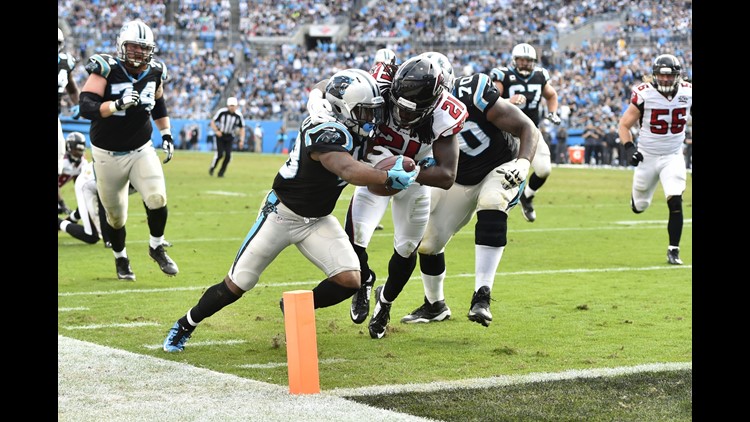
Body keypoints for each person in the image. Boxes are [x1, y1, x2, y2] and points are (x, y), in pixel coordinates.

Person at [162, 68, 418, 352]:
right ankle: (186, 323)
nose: (372, 120)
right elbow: (346, 168)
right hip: (281, 214)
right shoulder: (323, 128)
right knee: (238, 283)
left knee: (350, 280)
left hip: (317, 220)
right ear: (342, 109)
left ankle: (296, 306)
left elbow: (324, 86)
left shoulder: (344, 120)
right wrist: (385, 178)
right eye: (365, 112)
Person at [309, 54, 468, 339]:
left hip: (415, 180)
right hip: (373, 173)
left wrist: (408, 171)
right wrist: (315, 97)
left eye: (411, 111)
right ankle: (365, 280)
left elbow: (447, 175)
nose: (401, 115)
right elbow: (333, 85)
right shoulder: (383, 81)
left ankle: (385, 302)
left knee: (406, 248)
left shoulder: (444, 113)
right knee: (354, 240)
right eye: (398, 106)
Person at [400, 60, 539, 327]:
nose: (416, 99)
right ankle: (434, 305)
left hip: (501, 167)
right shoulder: (411, 111)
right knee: (428, 242)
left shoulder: (473, 93)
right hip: (459, 179)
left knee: (492, 201)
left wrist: (523, 163)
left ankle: (482, 297)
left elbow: (527, 128)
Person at [78, 19, 178, 281]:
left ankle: (157, 246)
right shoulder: (106, 68)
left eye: (143, 48)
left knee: (157, 197)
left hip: (141, 148)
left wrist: (166, 133)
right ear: (122, 46)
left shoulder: (156, 71)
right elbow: (86, 106)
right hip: (107, 154)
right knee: (115, 218)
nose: (138, 53)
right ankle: (121, 258)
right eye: (133, 47)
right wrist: (115, 105)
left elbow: (158, 103)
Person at [617, 54, 692, 265]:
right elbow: (624, 125)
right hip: (647, 157)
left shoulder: (688, 92)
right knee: (639, 206)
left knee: (675, 198)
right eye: (661, 75)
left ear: (678, 76)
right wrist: (629, 148)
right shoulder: (644, 94)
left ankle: (673, 250)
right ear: (654, 75)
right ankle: (636, 200)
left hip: (673, 155)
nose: (666, 80)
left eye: (670, 76)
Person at [490, 43, 560, 222]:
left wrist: (553, 113)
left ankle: (527, 196)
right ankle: (492, 211)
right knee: (499, 176)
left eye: (529, 61)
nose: (526, 63)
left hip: (531, 132)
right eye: (522, 60)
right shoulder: (503, 75)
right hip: (506, 133)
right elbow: (490, 100)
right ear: (515, 60)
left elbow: (551, 95)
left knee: (544, 169)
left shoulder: (540, 75)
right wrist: (508, 100)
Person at [58, 27, 81, 214]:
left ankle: (59, 202)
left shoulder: (66, 63)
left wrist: (78, 104)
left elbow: (72, 88)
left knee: (59, 162)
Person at [209, 97, 245, 177]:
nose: (232, 107)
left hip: (230, 136)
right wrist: (216, 131)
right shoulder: (222, 112)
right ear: (228, 106)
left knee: (228, 156)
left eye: (234, 105)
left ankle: (221, 172)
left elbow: (242, 128)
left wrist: (241, 140)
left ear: (236, 106)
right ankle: (212, 167)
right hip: (221, 135)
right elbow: (212, 122)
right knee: (220, 154)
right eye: (231, 105)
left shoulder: (238, 115)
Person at [57, 132, 87, 215]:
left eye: (81, 148)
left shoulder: (83, 163)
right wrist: (62, 204)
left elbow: (79, 185)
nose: (80, 152)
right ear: (69, 147)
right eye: (77, 148)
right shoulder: (62, 161)